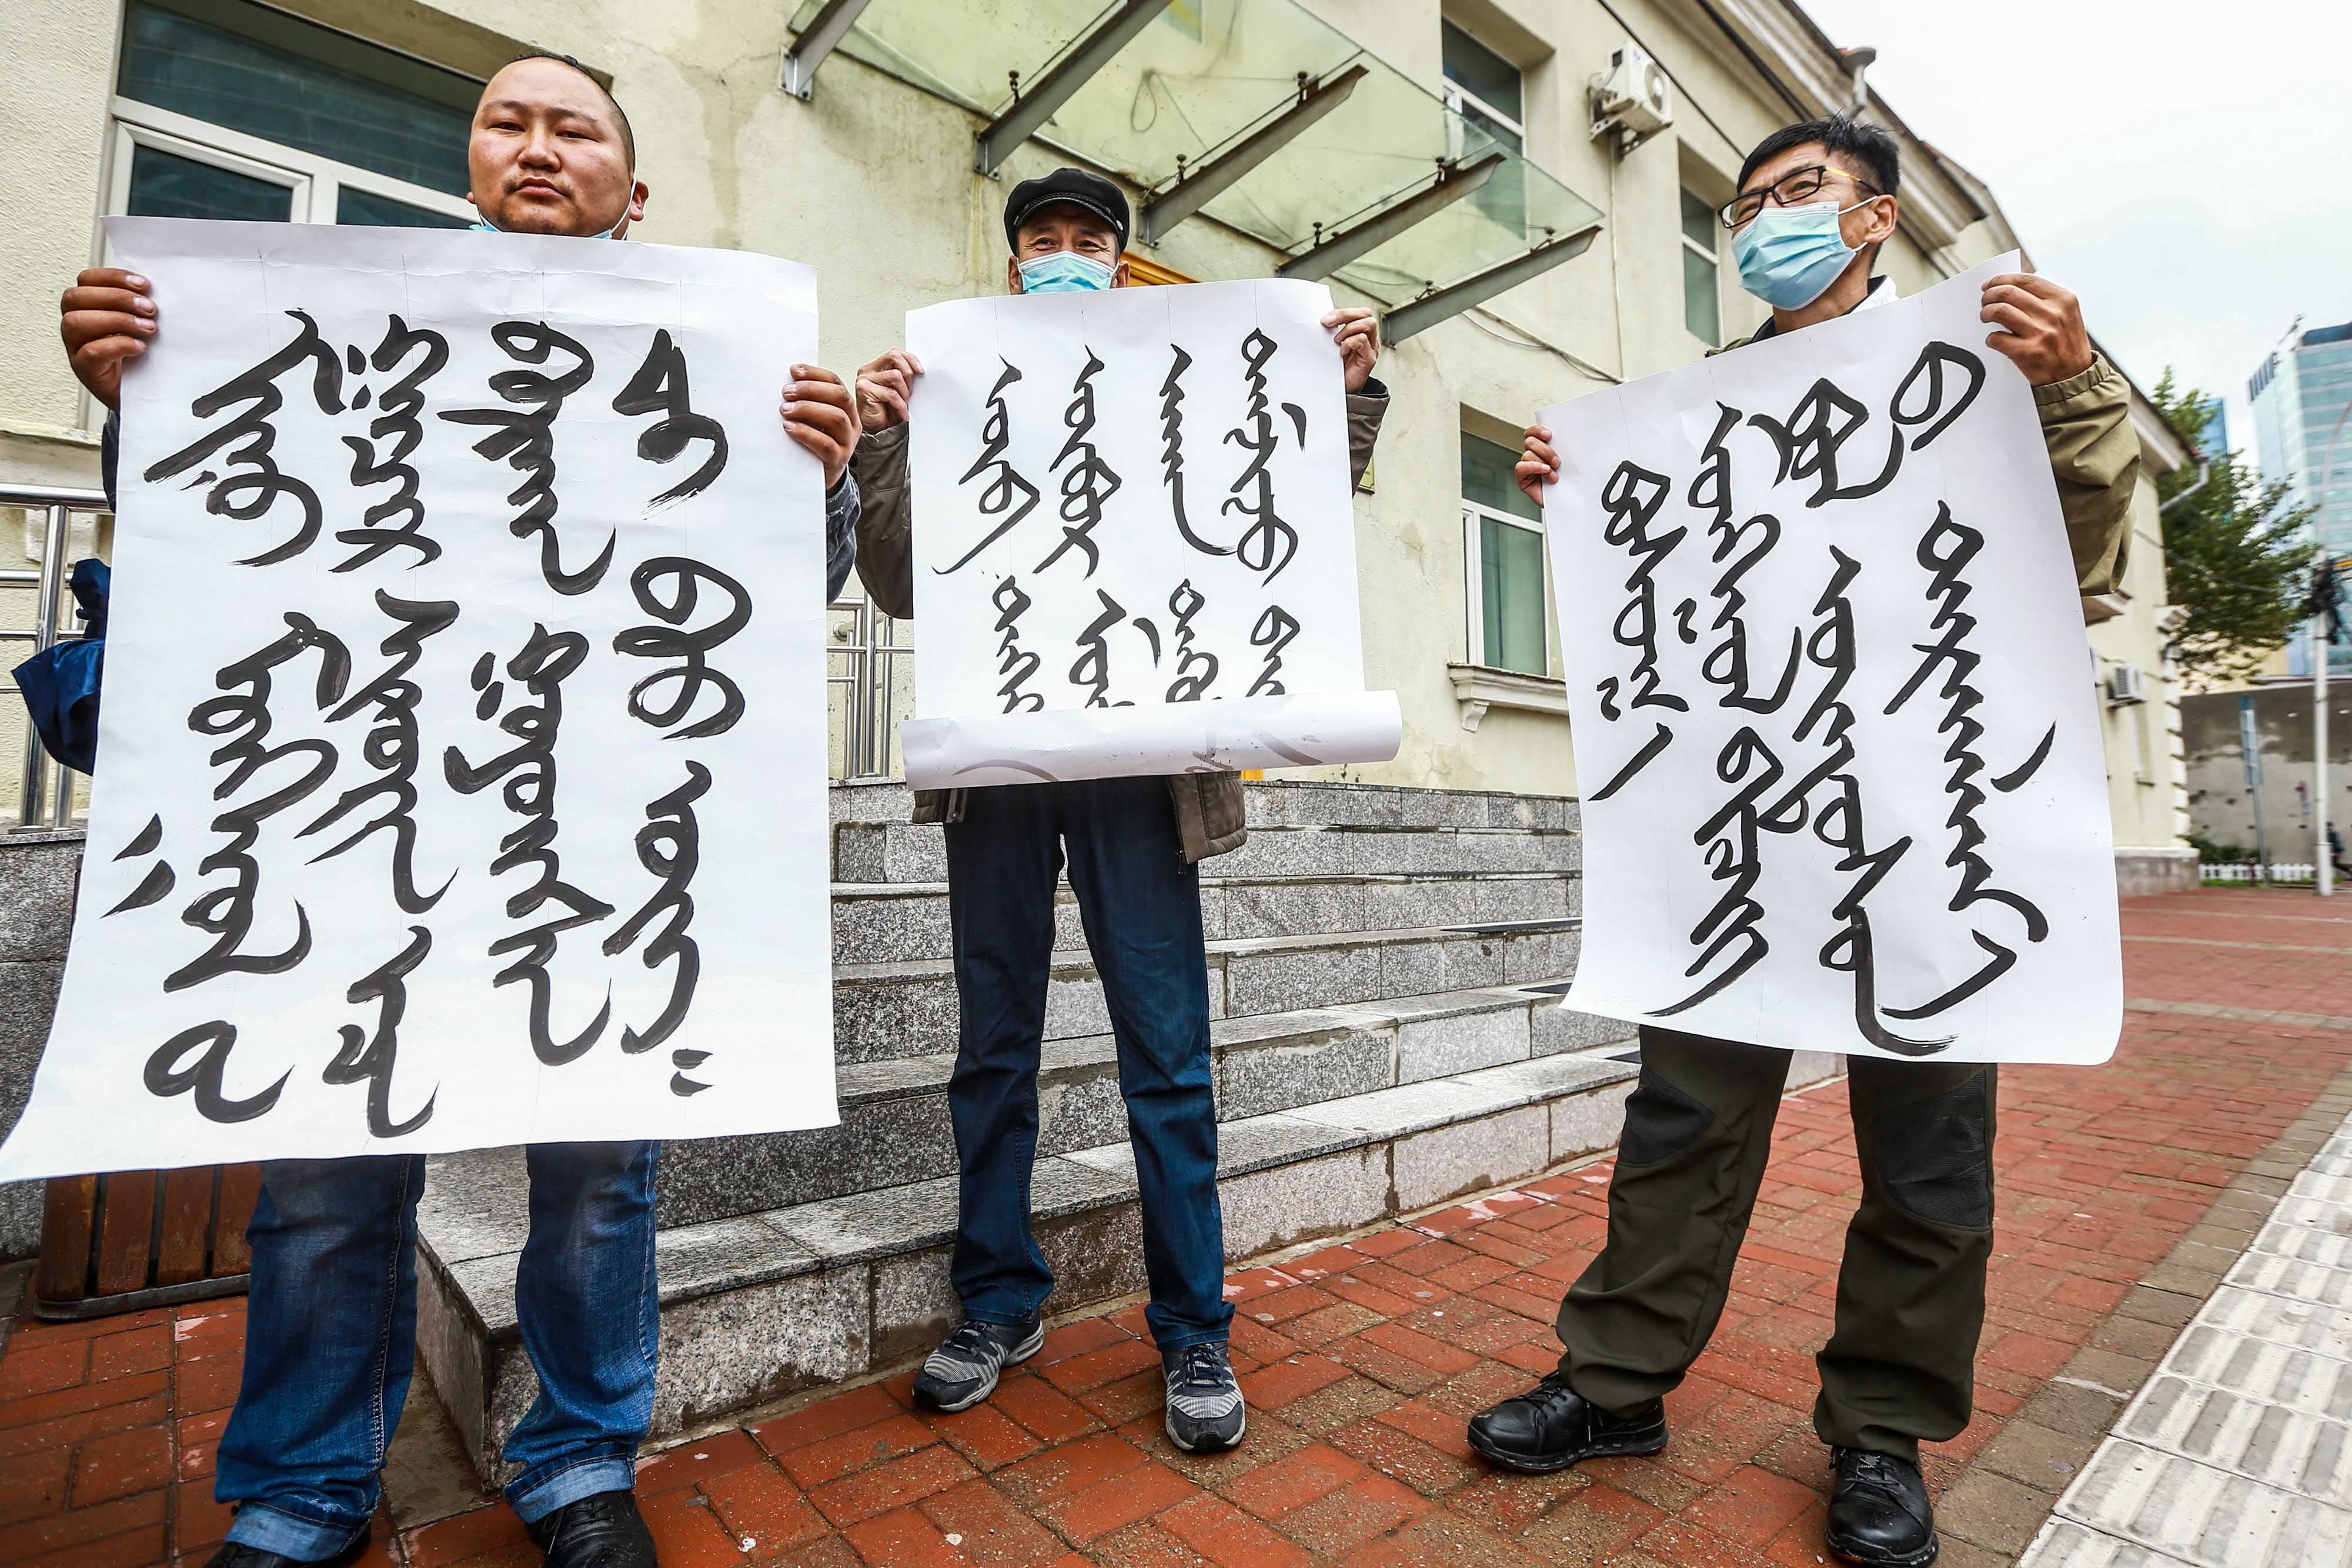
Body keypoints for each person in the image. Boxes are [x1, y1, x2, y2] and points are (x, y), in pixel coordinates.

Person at [55, 52, 863, 1568]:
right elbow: (233, 544)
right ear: (471, 165)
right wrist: (135, 399)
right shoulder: (346, 324)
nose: (537, 145)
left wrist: (814, 476)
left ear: (635, 184)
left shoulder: (716, 349)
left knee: (599, 1170)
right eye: (508, 121)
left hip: (595, 823)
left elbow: (755, 617)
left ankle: (577, 1463)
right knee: (324, 1163)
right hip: (360, 817)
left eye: (576, 127)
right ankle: (303, 1486)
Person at [1468, 114, 2142, 1568]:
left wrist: (2075, 391)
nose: (1763, 219)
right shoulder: (1692, 410)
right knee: (1683, 1121)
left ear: (1872, 219)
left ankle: (1879, 1431)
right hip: (1741, 835)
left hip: (1932, 827)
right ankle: (1612, 1383)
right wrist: (1578, 494)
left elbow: (2078, 563)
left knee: (1928, 1150)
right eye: (1745, 203)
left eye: (1798, 193)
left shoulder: (1976, 377)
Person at [846, 167, 1387, 1454]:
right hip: (1000, 770)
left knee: (1166, 1054)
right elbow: (896, 580)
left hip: (1146, 774)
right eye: (1043, 239)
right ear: (1013, 257)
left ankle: (1192, 1323)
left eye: (1089, 239)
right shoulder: (953, 385)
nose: (1065, 255)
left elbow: (1284, 508)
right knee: (994, 1047)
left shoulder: (1181, 376)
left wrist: (1346, 391)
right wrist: (880, 435)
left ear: (1121, 258)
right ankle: (996, 1300)